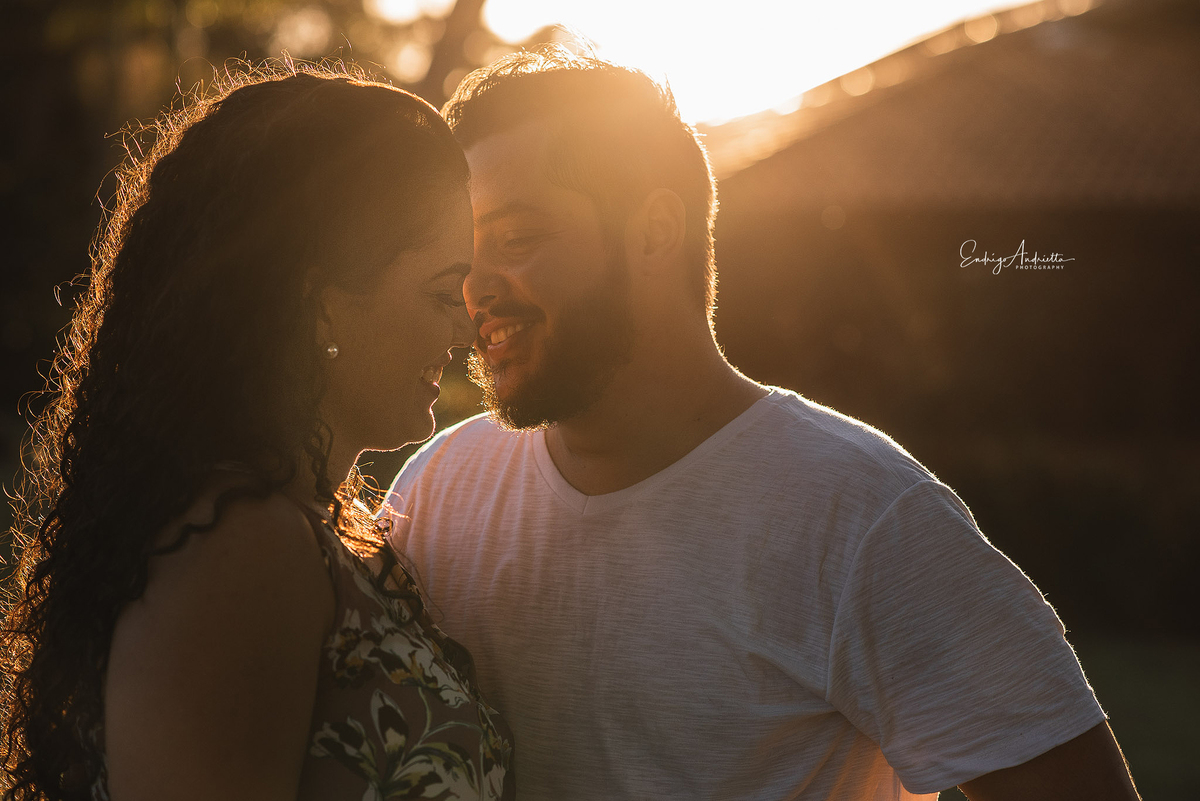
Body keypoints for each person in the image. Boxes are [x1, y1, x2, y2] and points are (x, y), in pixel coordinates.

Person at [385, 47, 1140, 800]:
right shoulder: (437, 494)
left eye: (517, 239)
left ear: (654, 230)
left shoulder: (864, 515)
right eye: (463, 255)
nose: (473, 291)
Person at [1, 67, 513, 801]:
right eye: (440, 294)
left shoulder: (316, 528)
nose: (464, 329)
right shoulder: (246, 547)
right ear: (319, 302)